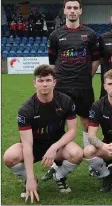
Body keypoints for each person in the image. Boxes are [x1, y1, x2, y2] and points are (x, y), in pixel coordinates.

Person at [3, 64, 83, 203]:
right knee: (9, 157)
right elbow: (27, 145)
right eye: (40, 80)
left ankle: (59, 176)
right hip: (34, 146)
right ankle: (31, 180)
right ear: (35, 83)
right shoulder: (26, 109)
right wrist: (30, 177)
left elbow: (72, 131)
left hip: (57, 146)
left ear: (54, 82)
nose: (44, 84)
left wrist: (53, 148)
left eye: (47, 80)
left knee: (77, 154)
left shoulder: (65, 101)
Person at [47, 0, 100, 168]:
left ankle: (90, 159)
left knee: (86, 122)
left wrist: (88, 76)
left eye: (75, 8)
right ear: (64, 11)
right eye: (69, 8)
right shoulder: (56, 35)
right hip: (62, 86)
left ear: (80, 10)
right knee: (58, 123)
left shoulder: (90, 34)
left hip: (83, 86)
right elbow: (52, 62)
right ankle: (57, 163)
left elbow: (95, 59)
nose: (72, 11)